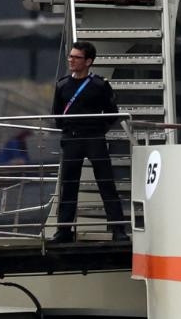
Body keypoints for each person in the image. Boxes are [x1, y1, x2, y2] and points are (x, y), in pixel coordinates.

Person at [49, 42, 125, 242]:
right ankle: (64, 230)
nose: (71, 60)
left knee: (106, 183)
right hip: (72, 137)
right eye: (70, 56)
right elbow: (57, 114)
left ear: (88, 61)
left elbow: (111, 113)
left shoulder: (99, 85)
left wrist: (98, 128)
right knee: (69, 185)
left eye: (76, 57)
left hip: (94, 137)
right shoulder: (62, 84)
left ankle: (118, 230)